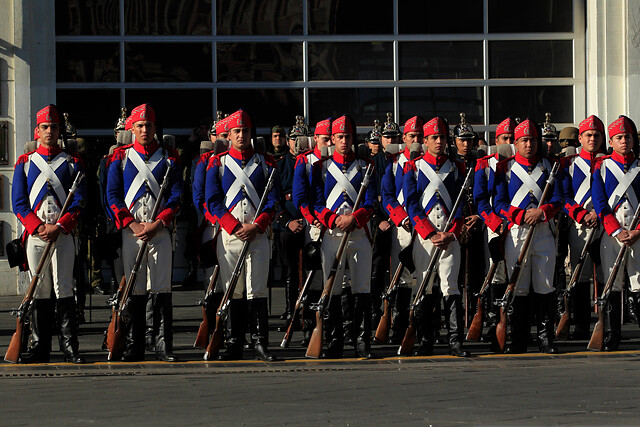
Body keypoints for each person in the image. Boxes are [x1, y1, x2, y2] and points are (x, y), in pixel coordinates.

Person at [106, 104, 183, 362]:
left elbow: (175, 196)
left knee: (161, 289)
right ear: (132, 128)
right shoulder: (121, 157)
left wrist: (158, 223)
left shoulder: (169, 157)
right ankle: (135, 344)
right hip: (132, 232)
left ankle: (163, 345)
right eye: (139, 126)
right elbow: (113, 195)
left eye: (149, 126)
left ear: (155, 128)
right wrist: (132, 224)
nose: (145, 130)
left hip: (158, 231)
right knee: (136, 290)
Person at [12, 104, 87, 363]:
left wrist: (60, 226)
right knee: (40, 290)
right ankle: (40, 347)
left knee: (64, 287)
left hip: (62, 234)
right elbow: (19, 203)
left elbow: (78, 201)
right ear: (37, 130)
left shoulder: (72, 162)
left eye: (54, 127)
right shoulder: (24, 163)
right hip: (36, 235)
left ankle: (70, 348)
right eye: (45, 127)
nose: (50, 131)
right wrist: (39, 227)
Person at [206, 109, 280, 361]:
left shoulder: (266, 163)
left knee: (256, 290)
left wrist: (257, 226)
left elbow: (272, 201)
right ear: (228, 135)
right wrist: (234, 226)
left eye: (244, 131)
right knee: (233, 290)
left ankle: (259, 342)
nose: (240, 135)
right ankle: (234, 341)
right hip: (230, 235)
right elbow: (213, 200)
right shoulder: (218, 163)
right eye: (236, 131)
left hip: (257, 235)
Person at [494, 118, 563, 354]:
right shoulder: (505, 168)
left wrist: (542, 212)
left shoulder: (550, 166)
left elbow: (558, 199)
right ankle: (519, 339)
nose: (529, 145)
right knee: (519, 287)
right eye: (524, 140)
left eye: (533, 140)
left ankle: (546, 338)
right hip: (517, 232)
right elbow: (499, 203)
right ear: (515, 142)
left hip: (543, 231)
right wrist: (520, 215)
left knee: (545, 285)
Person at [403, 116, 470, 357]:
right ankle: (425, 340)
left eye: (442, 137)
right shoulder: (413, 167)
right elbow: (411, 203)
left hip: (449, 237)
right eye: (434, 138)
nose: (439, 142)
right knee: (425, 288)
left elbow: (461, 204)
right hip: (425, 237)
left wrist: (452, 233)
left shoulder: (457, 167)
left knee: (451, 288)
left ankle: (455, 341)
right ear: (426, 141)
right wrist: (430, 233)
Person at [312, 114, 376, 358]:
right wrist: (334, 220)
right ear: (333, 138)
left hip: (359, 235)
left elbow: (370, 202)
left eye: (347, 136)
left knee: (361, 290)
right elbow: (316, 202)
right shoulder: (322, 167)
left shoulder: (364, 166)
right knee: (334, 290)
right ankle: (334, 341)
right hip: (332, 234)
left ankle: (362, 342)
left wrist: (354, 219)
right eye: (339, 136)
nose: (343, 141)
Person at [592, 115, 640, 351]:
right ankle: (612, 334)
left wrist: (638, 231)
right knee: (612, 284)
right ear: (611, 141)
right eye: (619, 137)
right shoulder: (601, 167)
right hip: (613, 233)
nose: (624, 141)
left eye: (628, 137)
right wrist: (617, 231)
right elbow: (600, 203)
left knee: (639, 283)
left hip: (638, 233)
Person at [560, 115, 605, 340]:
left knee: (607, 276)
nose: (593, 139)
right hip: (579, 225)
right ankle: (581, 326)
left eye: (597, 135)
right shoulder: (568, 164)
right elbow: (564, 197)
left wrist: (599, 214)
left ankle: (606, 324)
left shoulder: (609, 162)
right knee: (580, 276)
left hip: (606, 224)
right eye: (588, 135)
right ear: (580, 138)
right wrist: (581, 214)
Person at [473, 117, 516, 350]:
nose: (508, 143)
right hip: (496, 226)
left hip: (520, 227)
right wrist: (494, 222)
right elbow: (480, 199)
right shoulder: (485, 165)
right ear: (495, 140)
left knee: (519, 278)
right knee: (497, 276)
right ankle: (496, 326)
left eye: (512, 139)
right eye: (504, 139)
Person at [380, 115, 424, 343]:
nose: (416, 140)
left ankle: (425, 326)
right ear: (404, 138)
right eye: (412, 136)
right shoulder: (394, 163)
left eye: (419, 136)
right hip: (404, 226)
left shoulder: (430, 162)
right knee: (403, 277)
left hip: (427, 227)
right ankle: (399, 326)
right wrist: (401, 218)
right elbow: (387, 196)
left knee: (426, 278)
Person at [292, 117, 332, 346]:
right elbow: (300, 197)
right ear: (315, 138)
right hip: (315, 227)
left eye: (331, 138)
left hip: (336, 225)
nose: (328, 143)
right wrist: (312, 219)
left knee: (337, 279)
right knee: (313, 279)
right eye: (325, 139)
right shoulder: (305, 162)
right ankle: (311, 328)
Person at [274, 117, 308, 330]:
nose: (298, 142)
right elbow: (274, 199)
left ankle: (306, 312)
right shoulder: (279, 165)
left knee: (308, 271)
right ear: (288, 141)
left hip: (308, 222)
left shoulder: (312, 162)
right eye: (294, 139)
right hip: (287, 223)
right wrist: (287, 222)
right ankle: (291, 312)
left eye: (302, 138)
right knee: (290, 271)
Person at [451, 113, 484, 329]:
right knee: (456, 274)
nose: (466, 144)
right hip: (456, 224)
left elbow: (485, 194)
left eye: (469, 140)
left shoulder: (480, 163)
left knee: (477, 273)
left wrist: (480, 216)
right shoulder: (451, 164)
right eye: (462, 140)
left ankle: (476, 315)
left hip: (476, 223)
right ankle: (457, 320)